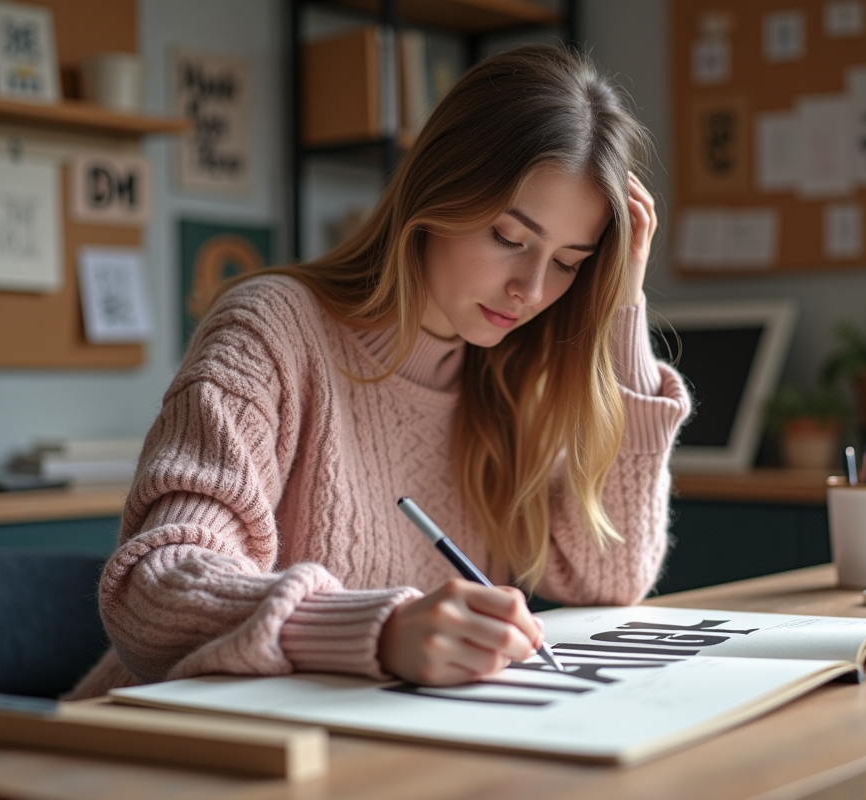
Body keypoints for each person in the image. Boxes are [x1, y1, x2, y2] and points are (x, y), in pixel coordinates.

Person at [68, 43, 691, 697]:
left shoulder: (511, 378)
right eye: (509, 238)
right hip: (161, 739)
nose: (531, 290)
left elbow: (612, 578)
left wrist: (622, 307)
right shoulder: (271, 331)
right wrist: (380, 631)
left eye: (568, 263)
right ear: (437, 193)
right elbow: (155, 589)